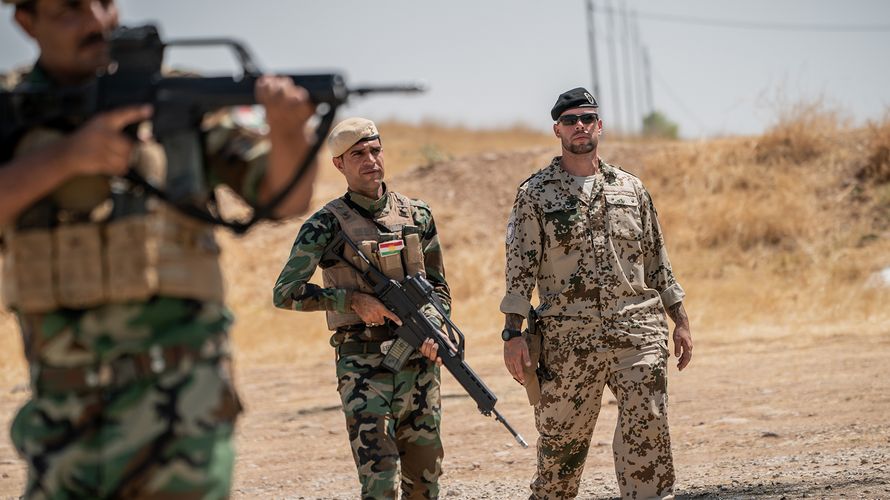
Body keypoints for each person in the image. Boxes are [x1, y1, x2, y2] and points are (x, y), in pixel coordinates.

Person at [0, 0, 317, 497]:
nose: (95, 22)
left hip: (185, 408)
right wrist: (67, 157)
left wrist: (289, 131)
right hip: (63, 417)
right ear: (25, 22)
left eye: (103, 3)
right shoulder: (10, 107)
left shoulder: (179, 97)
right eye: (69, 10)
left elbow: (283, 198)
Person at [500, 87, 693, 499]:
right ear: (557, 130)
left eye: (587, 118)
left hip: (637, 333)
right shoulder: (535, 195)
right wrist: (512, 334)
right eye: (570, 121)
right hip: (569, 343)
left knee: (649, 445)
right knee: (559, 460)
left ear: (599, 125)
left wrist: (681, 319)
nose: (580, 126)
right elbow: (519, 272)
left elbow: (657, 258)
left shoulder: (631, 189)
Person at [273, 117, 449, 499]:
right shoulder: (324, 225)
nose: (370, 160)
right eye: (358, 154)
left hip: (419, 364)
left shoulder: (417, 215)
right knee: (380, 484)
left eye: (375, 150)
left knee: (425, 484)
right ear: (340, 164)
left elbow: (439, 287)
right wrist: (350, 300)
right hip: (363, 368)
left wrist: (436, 326)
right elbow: (285, 292)